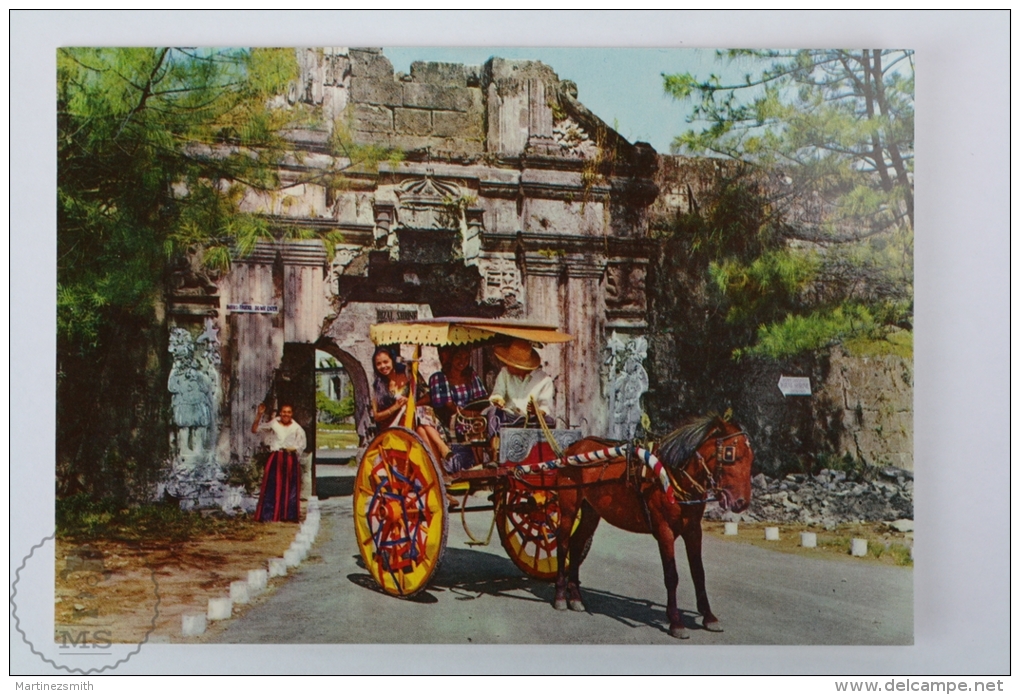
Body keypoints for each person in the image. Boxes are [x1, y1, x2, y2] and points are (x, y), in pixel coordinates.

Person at [370, 346, 452, 465]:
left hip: (416, 421)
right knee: (421, 429)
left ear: (392, 360)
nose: (383, 366)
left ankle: (438, 467)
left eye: (385, 362)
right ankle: (440, 458)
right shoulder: (378, 387)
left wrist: (411, 404)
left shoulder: (409, 374)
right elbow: (376, 416)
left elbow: (428, 396)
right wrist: (395, 407)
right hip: (395, 428)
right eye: (379, 364)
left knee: (420, 421)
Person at [487, 339, 556, 436]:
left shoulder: (544, 379)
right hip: (509, 417)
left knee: (549, 421)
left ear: (520, 366)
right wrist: (498, 399)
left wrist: (536, 410)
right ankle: (497, 445)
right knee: (492, 413)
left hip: (532, 420)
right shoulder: (504, 373)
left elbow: (545, 406)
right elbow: (498, 392)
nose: (507, 364)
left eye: (510, 362)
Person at [251, 403, 306, 522]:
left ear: (292, 414)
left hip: (290, 458)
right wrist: (259, 414)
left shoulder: (296, 428)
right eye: (284, 412)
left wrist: (293, 448)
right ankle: (269, 515)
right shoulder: (274, 423)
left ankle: (287, 516)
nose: (286, 414)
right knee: (272, 485)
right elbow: (255, 429)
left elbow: (301, 444)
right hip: (276, 457)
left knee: (288, 486)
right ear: (280, 413)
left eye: (289, 412)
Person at [429, 346, 489, 426]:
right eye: (458, 357)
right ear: (451, 358)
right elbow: (449, 406)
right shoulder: (439, 377)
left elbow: (482, 397)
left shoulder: (471, 375)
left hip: (473, 418)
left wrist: (480, 412)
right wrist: (467, 414)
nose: (462, 361)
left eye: (466, 358)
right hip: (452, 420)